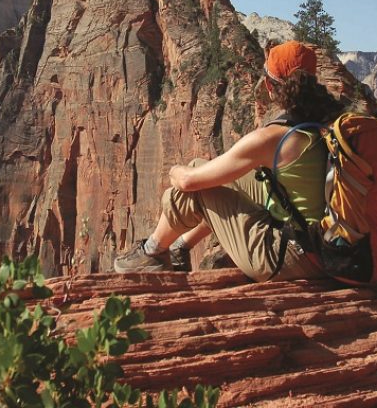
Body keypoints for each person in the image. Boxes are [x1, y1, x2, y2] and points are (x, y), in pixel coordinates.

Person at [113, 40, 356, 282]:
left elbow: (188, 182)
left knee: (188, 189)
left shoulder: (273, 139)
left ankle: (152, 253)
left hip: (294, 259)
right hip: (331, 247)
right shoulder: (329, 123)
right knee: (208, 170)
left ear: (271, 87)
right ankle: (179, 247)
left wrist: (174, 170)